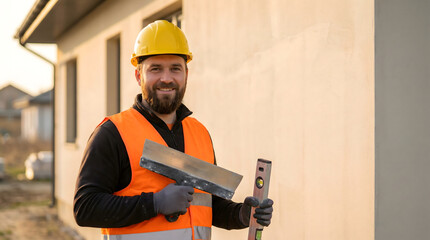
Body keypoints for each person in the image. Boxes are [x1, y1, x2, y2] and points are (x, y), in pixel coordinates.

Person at [74, 20, 274, 240]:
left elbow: (207, 205)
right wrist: (154, 203)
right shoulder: (112, 133)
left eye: (175, 68)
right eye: (155, 69)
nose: (166, 78)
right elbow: (85, 208)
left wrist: (242, 215)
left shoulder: (200, 133)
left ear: (186, 74)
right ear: (139, 75)